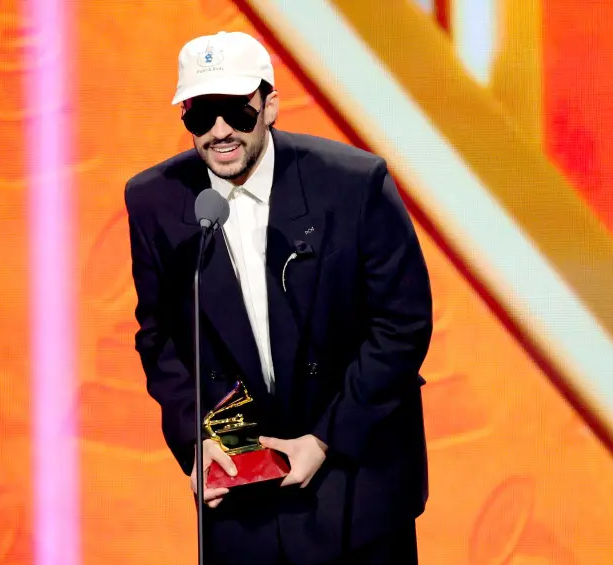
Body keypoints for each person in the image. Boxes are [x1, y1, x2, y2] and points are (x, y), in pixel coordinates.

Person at [124, 30, 433, 565]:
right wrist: (197, 441)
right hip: (242, 494)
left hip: (354, 480)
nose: (220, 131)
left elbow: (401, 324)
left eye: (236, 112)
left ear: (269, 106)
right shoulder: (155, 201)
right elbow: (160, 338)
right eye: (202, 116)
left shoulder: (352, 184)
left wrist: (324, 438)